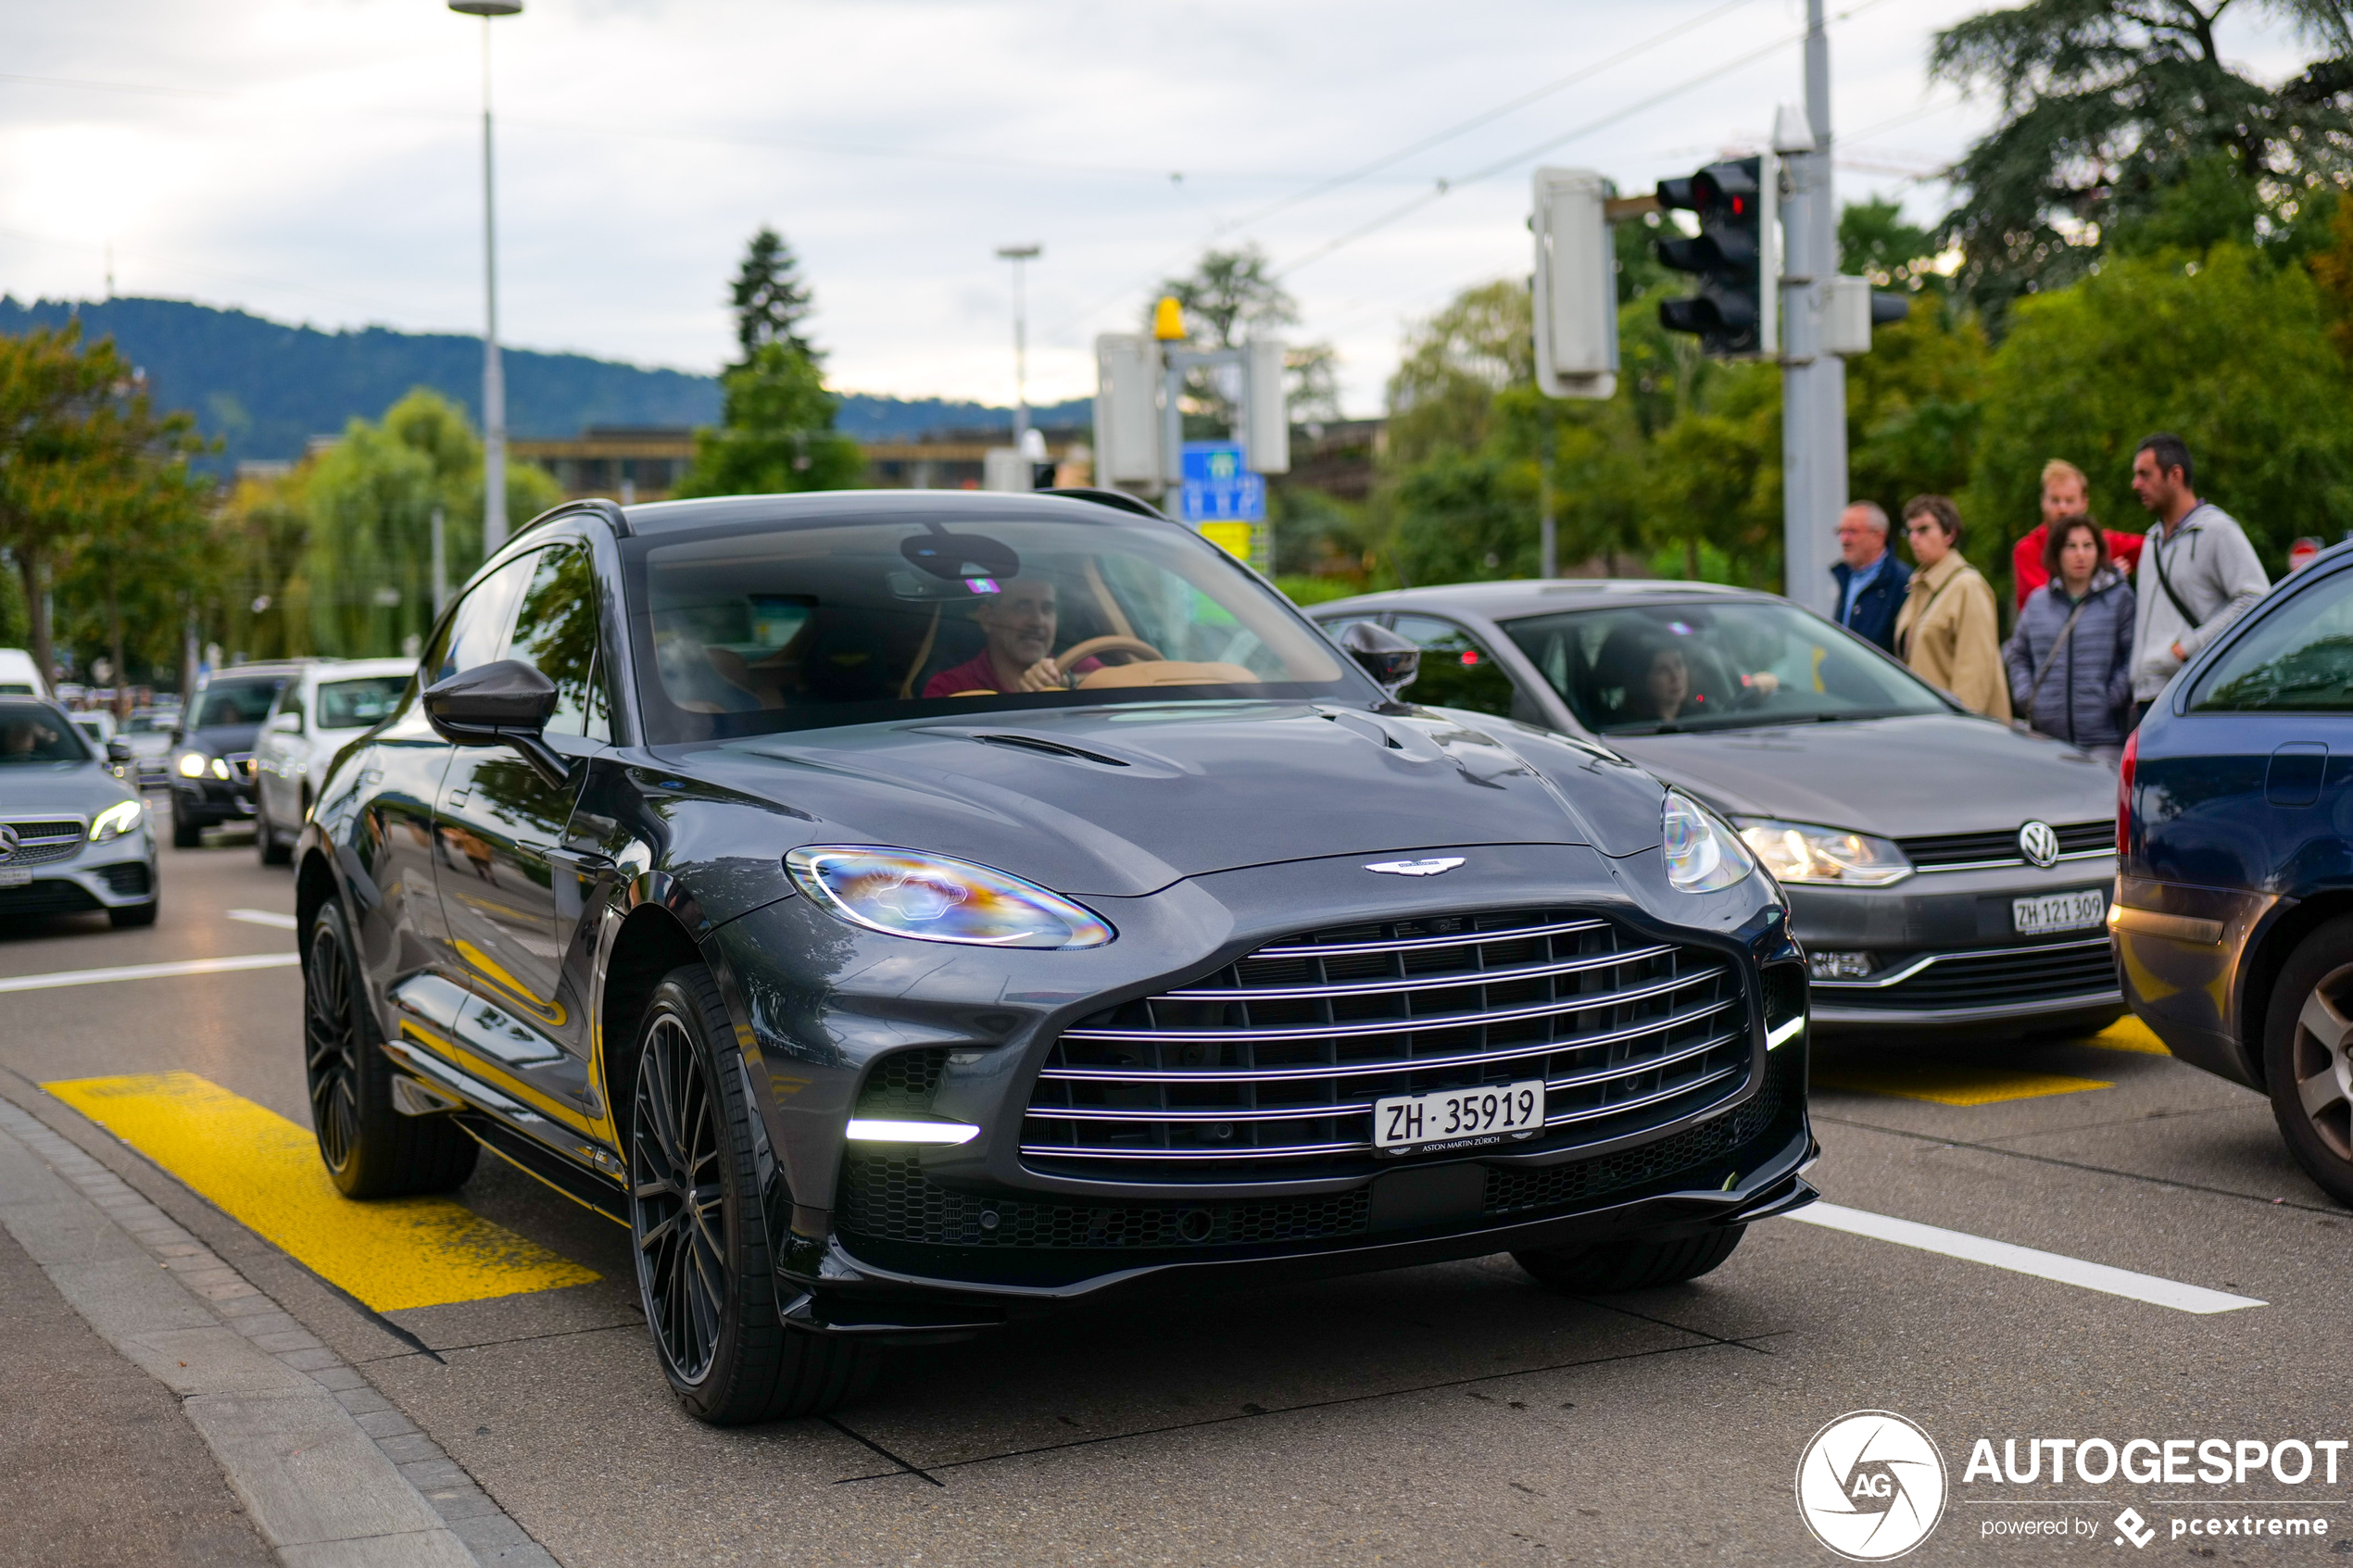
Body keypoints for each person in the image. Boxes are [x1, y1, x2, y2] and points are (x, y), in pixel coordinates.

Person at [2126, 433, 2268, 724]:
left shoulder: (2216, 530)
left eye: (2144, 474)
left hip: (2190, 699)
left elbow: (2256, 598)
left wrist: (2188, 647)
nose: (2135, 484)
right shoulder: (2151, 541)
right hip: (2147, 699)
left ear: (2175, 475)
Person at [2003, 516, 2136, 765]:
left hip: (2105, 740)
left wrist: (2110, 698)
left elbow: (2133, 656)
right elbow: (2017, 654)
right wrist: (2027, 696)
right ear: (2056, 552)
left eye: (2088, 545)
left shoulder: (2120, 599)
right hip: (2046, 740)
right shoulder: (2037, 603)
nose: (2080, 554)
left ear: (2099, 551)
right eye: (2071, 546)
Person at [1894, 495, 2011, 719]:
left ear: (1950, 534)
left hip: (1956, 730)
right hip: (1924, 722)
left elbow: (1975, 675)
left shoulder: (1968, 586)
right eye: (1910, 531)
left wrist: (1960, 728)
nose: (1914, 539)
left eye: (1924, 530)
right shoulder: (1918, 586)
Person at [922, 578, 1102, 697]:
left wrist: (1065, 681)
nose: (1038, 621)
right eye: (1022, 607)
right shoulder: (950, 687)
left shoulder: (1077, 664)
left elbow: (1122, 683)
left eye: (1047, 609)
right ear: (987, 618)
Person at [2010, 458, 2145, 609]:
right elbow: (2051, 604)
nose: (2063, 509)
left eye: (2069, 501)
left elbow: (2156, 547)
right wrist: (2106, 579)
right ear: (2043, 502)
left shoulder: (2102, 542)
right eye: (2055, 500)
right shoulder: (2027, 550)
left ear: (2084, 503)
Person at [1830, 501, 1909, 655]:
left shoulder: (1902, 580)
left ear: (1878, 537)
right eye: (1841, 531)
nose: (1844, 540)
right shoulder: (1845, 575)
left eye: (1852, 532)